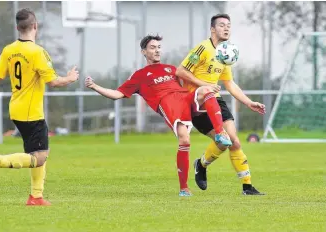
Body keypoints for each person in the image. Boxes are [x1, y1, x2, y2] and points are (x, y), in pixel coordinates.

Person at [85, 34, 232, 197]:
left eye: (159, 47)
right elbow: (116, 94)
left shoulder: (171, 69)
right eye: (152, 48)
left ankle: (220, 133)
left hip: (185, 97)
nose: (157, 51)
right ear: (143, 52)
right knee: (185, 140)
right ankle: (184, 188)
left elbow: (189, 78)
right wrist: (95, 86)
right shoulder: (139, 76)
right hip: (169, 104)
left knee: (207, 90)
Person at [0, 8, 79, 205]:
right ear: (35, 26)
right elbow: (53, 81)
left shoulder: (9, 50)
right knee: (40, 157)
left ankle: (36, 196)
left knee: (37, 152)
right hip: (30, 112)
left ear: (18, 27)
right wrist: (70, 78)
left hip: (16, 109)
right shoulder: (37, 52)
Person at [176, 14, 265, 195]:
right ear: (213, 29)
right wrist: (204, 85)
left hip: (216, 100)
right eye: (222, 25)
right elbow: (180, 71)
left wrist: (249, 103)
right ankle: (201, 166)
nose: (226, 29)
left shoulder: (224, 53)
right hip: (198, 103)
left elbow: (229, 84)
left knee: (234, 142)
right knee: (223, 142)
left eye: (229, 26)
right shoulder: (202, 48)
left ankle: (246, 186)